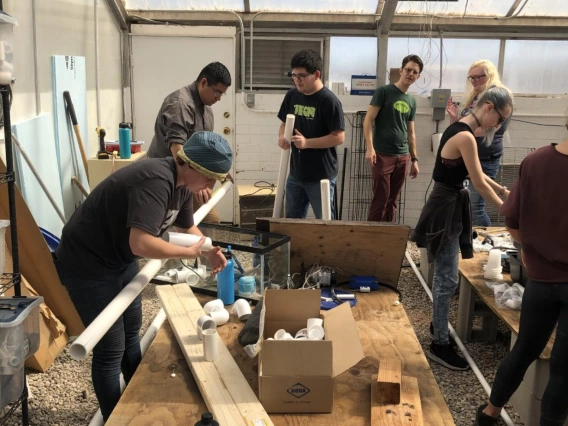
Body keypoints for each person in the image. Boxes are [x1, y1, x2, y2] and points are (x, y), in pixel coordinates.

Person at [54, 131, 231, 421]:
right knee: (110, 347)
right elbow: (142, 243)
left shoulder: (183, 183)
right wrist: (190, 254)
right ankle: (117, 418)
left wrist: (209, 249)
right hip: (87, 263)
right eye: (210, 177)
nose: (210, 185)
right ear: (191, 165)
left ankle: (136, 394)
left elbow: (188, 229)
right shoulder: (156, 180)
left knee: (132, 325)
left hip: (118, 257)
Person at [412, 86, 513, 371]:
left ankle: (437, 328)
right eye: (501, 118)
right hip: (445, 208)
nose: (500, 124)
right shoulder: (466, 136)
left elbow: (475, 171)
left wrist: (501, 188)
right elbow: (478, 182)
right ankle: (439, 344)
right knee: (447, 280)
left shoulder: (460, 129)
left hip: (448, 203)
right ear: (489, 107)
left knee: (448, 277)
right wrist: (507, 211)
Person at [474, 135, 568, 425]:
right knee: (564, 370)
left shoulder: (535, 161)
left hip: (539, 280)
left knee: (525, 347)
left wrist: (528, 251)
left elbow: (512, 224)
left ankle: (490, 414)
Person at [148, 62, 232, 224]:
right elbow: (178, 152)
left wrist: (219, 170)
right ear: (204, 82)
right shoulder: (180, 104)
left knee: (210, 220)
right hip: (166, 177)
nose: (219, 98)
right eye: (217, 92)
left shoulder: (206, 108)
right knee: (174, 225)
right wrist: (199, 185)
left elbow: (207, 149)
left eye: (222, 94)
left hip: (187, 178)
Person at [277, 49, 345, 219]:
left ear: (316, 74)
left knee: (325, 224)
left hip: (321, 176)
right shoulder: (292, 95)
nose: (297, 80)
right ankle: (295, 247)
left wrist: (307, 143)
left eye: (301, 76)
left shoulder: (329, 101)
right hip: (296, 173)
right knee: (292, 222)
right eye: (293, 75)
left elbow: (339, 137)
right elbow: (284, 123)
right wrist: (282, 137)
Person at [446, 59, 508, 226]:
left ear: (489, 76)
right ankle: (474, 242)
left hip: (485, 157)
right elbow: (461, 129)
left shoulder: (499, 97)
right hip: (466, 156)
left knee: (475, 206)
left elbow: (487, 129)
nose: (473, 81)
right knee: (467, 205)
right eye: (471, 78)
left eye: (478, 77)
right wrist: (454, 118)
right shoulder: (474, 99)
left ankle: (484, 243)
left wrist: (505, 202)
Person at [364, 54, 423, 222]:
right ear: (401, 70)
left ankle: (388, 237)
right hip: (383, 156)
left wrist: (414, 159)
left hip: (402, 157)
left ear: (418, 76)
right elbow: (368, 121)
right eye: (408, 70)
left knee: (392, 200)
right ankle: (372, 237)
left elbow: (411, 132)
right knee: (380, 199)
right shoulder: (384, 92)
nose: (411, 74)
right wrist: (370, 148)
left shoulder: (412, 100)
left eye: (415, 72)